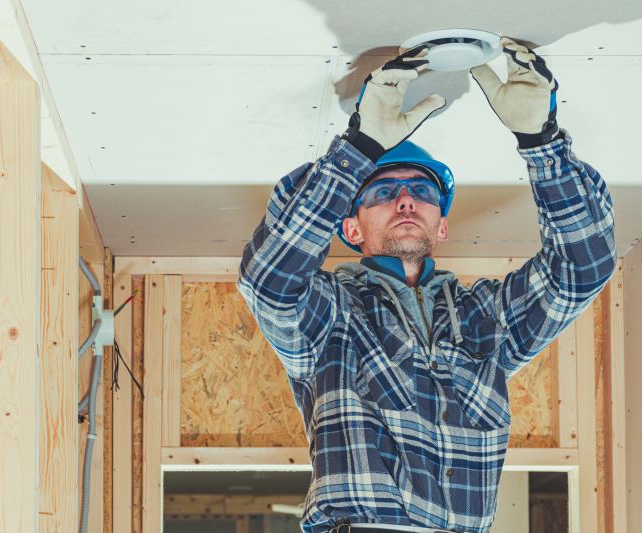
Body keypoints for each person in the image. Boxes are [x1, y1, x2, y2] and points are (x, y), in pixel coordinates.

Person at [237, 38, 616, 533]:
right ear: (351, 229)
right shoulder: (331, 318)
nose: (406, 201)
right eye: (383, 192)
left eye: (421, 191)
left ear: (441, 227)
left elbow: (581, 270)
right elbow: (269, 281)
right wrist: (358, 149)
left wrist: (541, 142)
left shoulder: (484, 321)